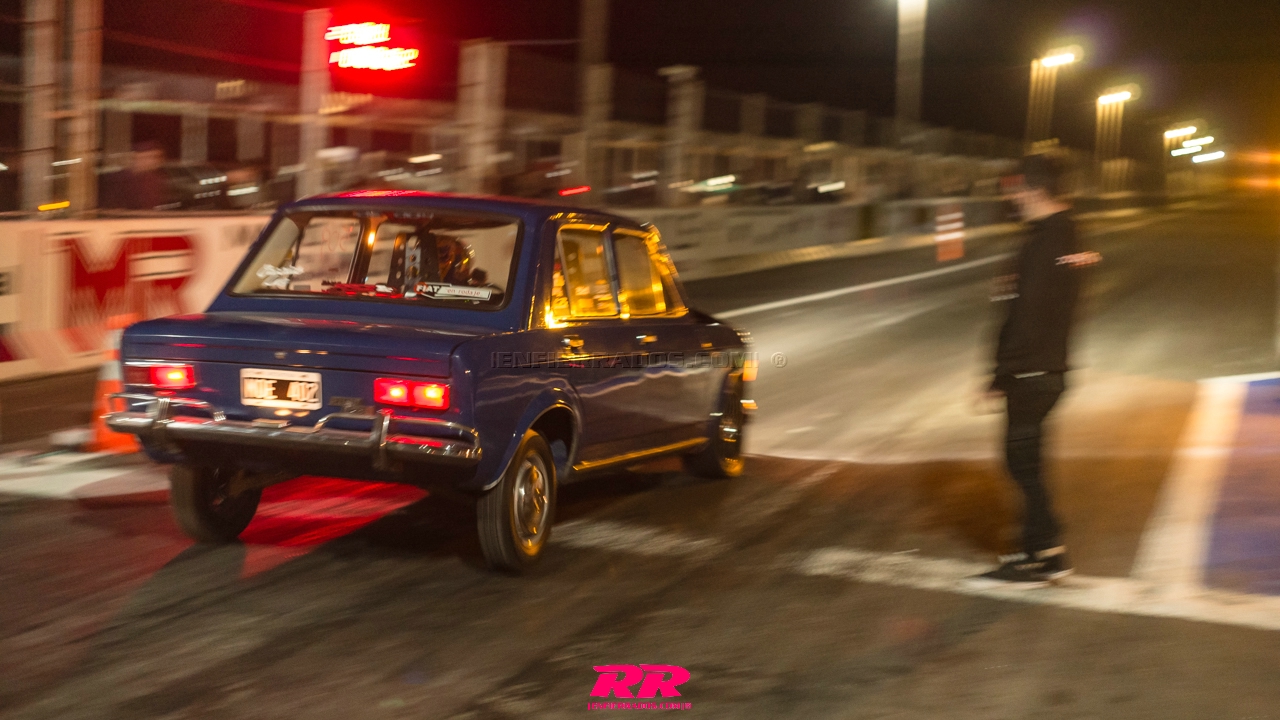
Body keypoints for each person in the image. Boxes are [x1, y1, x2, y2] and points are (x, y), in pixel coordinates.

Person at [972, 153, 1099, 587]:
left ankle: (1043, 553)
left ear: (1034, 189)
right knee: (1025, 462)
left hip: (1031, 371)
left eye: (1016, 190)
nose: (1012, 199)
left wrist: (1001, 373)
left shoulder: (1046, 241)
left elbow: (1026, 315)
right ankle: (1041, 552)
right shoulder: (1066, 232)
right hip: (1048, 368)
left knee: (1021, 462)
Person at [101, 142, 170, 210]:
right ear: (137, 157)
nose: (154, 161)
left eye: (158, 157)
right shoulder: (117, 179)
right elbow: (111, 206)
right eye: (150, 157)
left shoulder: (154, 180)